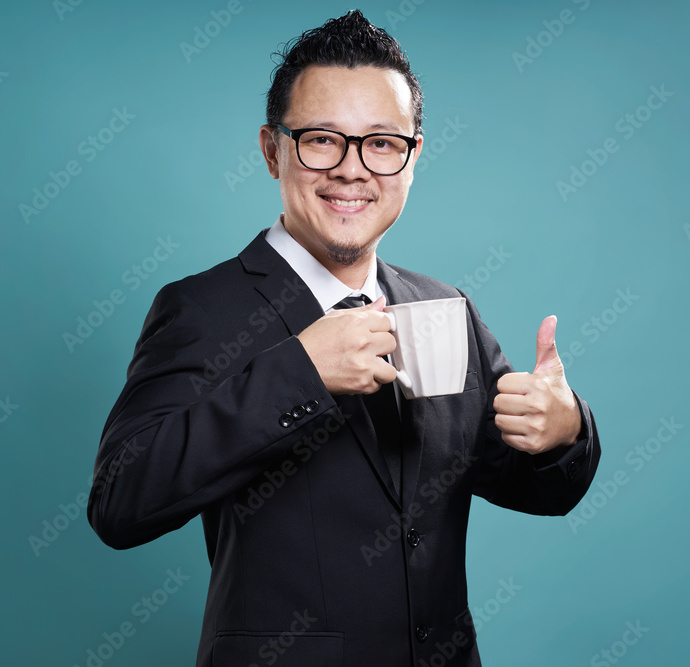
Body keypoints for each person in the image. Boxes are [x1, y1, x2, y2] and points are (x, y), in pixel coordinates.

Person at [88, 10, 600, 666]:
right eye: (322, 140)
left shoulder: (447, 308)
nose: (353, 169)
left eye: (382, 143)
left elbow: (537, 489)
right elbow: (119, 501)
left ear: (414, 155)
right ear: (273, 149)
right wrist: (300, 370)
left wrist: (563, 432)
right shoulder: (201, 309)